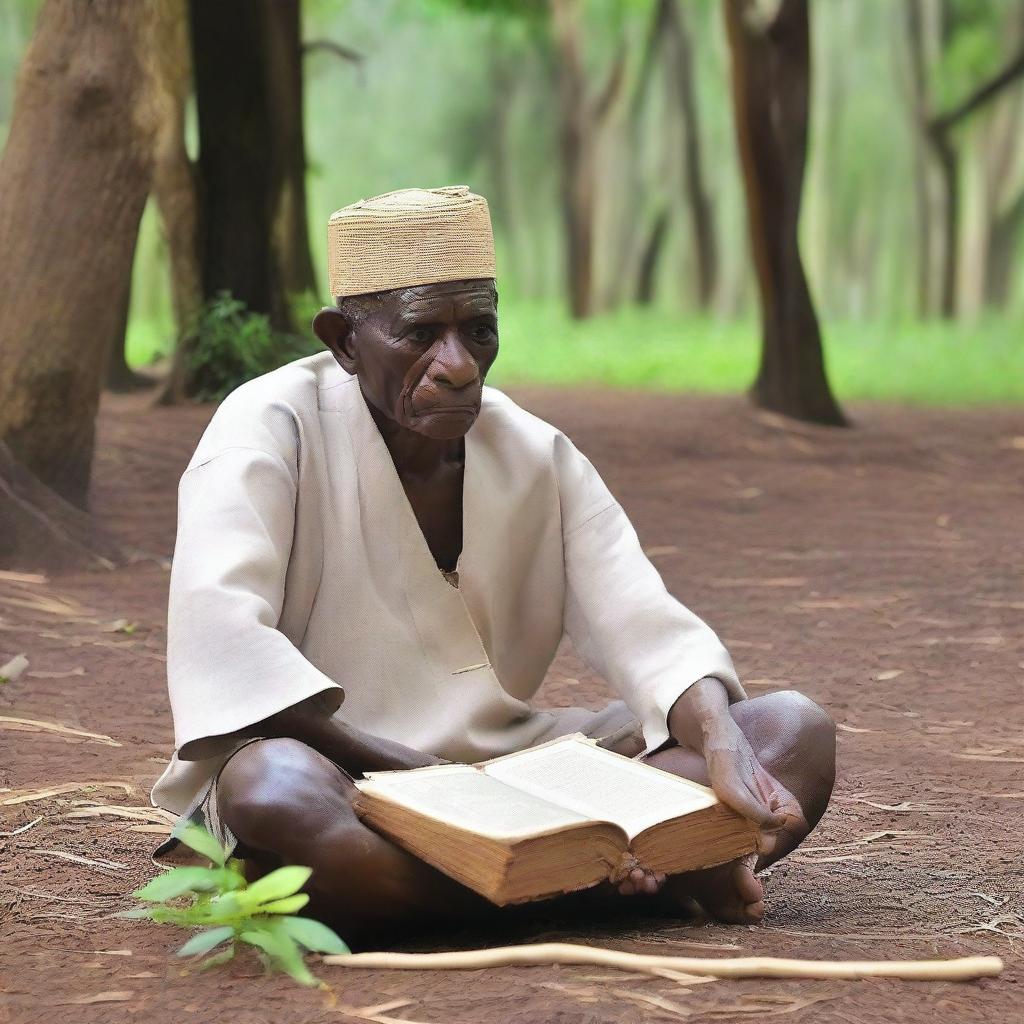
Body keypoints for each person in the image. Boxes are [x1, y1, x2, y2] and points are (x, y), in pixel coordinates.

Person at [152, 186, 835, 943]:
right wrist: (431, 785)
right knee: (268, 788)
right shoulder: (265, 428)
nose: (458, 367)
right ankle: (604, 888)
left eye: (478, 331)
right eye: (420, 335)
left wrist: (724, 745)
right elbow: (229, 650)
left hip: (513, 770)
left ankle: (503, 887)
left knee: (792, 733)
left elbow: (647, 625)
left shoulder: (533, 451)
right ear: (344, 342)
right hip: (347, 774)